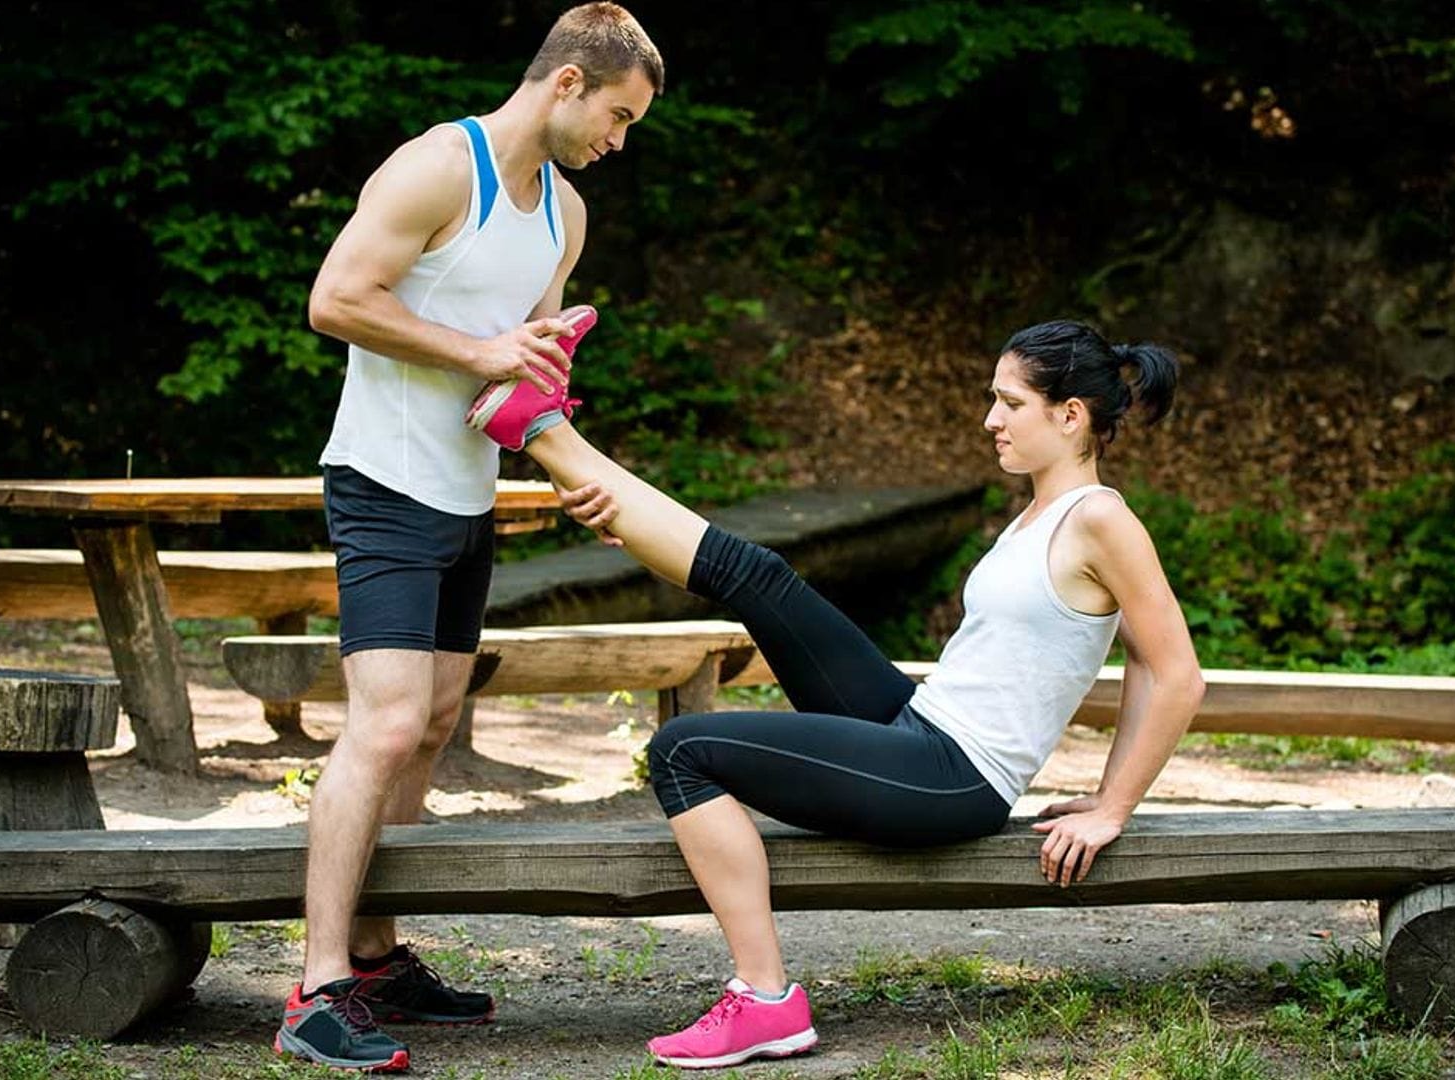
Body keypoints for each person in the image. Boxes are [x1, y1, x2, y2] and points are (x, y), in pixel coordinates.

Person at [491, 316, 1207, 1070]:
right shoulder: (1038, 513)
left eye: (1010, 403)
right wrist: (636, 529)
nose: (989, 419)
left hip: (954, 776)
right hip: (919, 724)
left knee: (683, 751)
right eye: (992, 399)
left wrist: (1112, 806)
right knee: (761, 576)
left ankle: (765, 1001)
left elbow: (1171, 671)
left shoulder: (1101, 519)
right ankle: (540, 426)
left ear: (1071, 416)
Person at [284, 5, 663, 1072]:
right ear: (568, 82)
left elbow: (521, 375)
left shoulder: (567, 217)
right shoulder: (438, 167)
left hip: (470, 494)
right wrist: (486, 349)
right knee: (389, 722)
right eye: (618, 116)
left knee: (440, 716)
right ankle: (313, 989)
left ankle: (375, 956)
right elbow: (335, 299)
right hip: (381, 481)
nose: (619, 142)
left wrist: (575, 471)